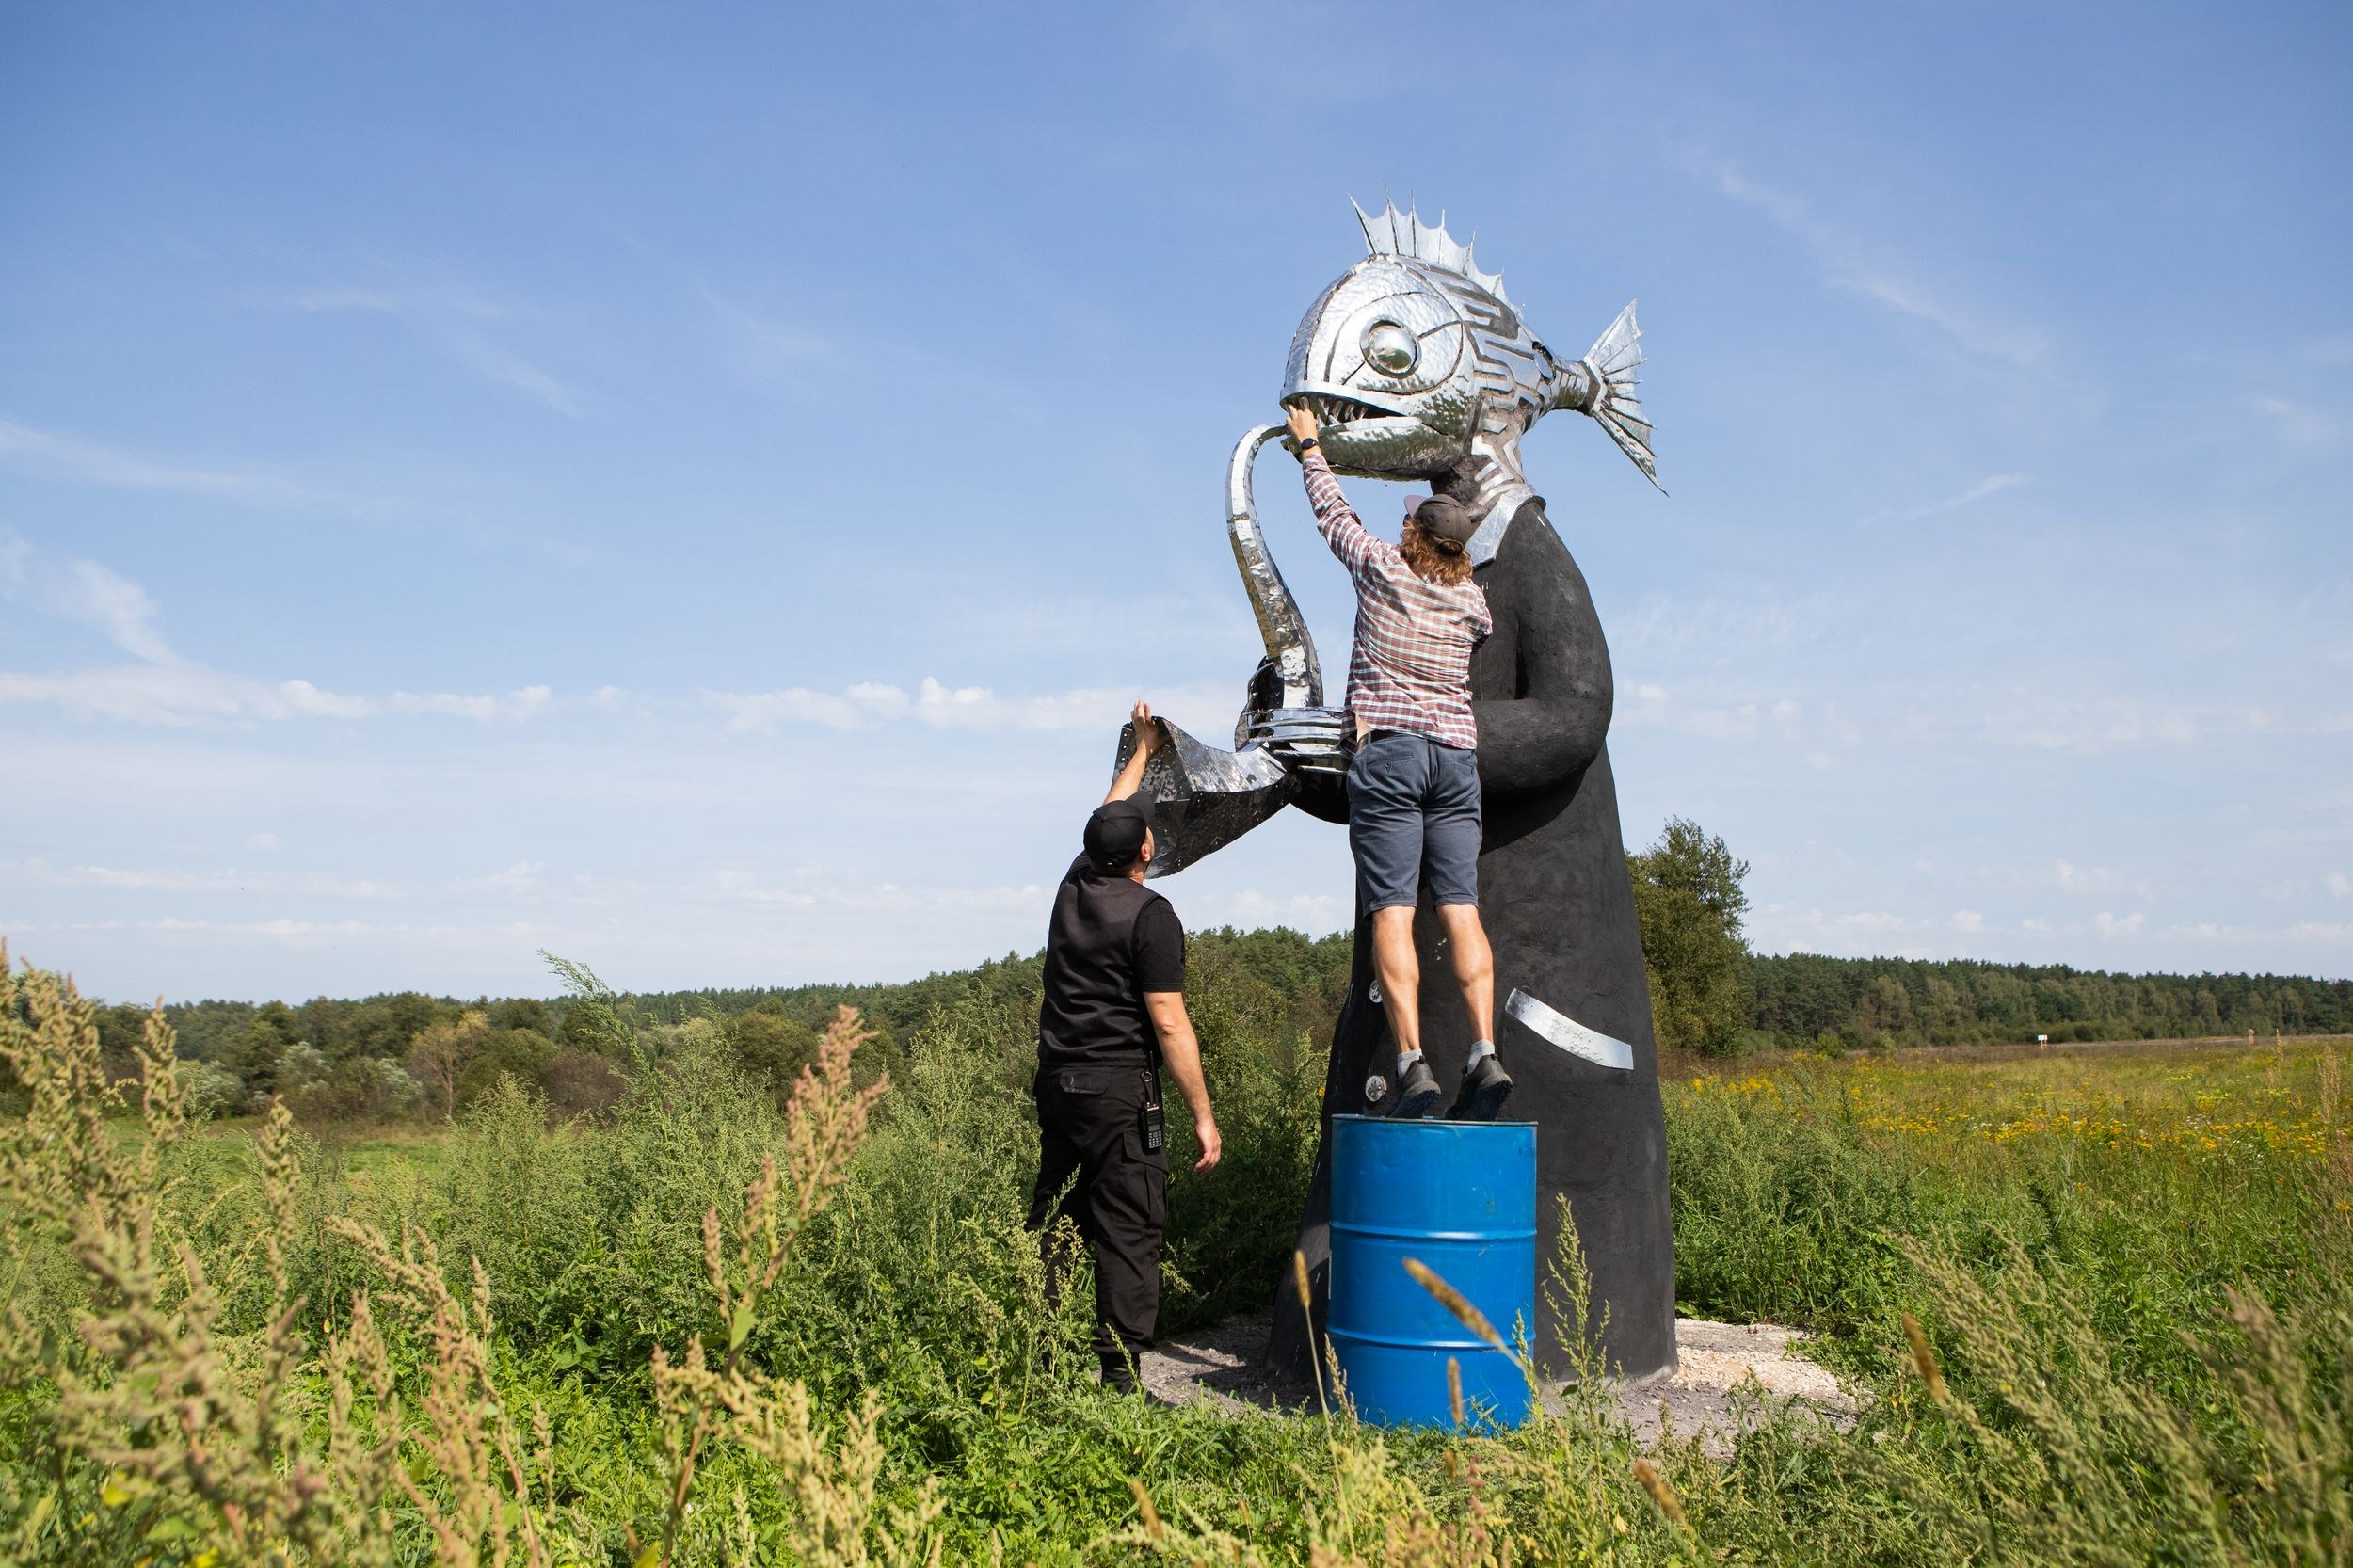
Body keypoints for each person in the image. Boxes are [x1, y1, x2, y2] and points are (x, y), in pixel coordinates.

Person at [1283, 401, 1513, 1121]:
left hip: (1390, 755)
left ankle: (1413, 1061)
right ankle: (1484, 1050)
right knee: (1461, 912)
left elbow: (1333, 517)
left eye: (1408, 521)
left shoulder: (1383, 569)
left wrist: (1310, 446)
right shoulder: (1473, 604)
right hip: (1455, 759)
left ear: (1412, 533)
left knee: (1392, 911)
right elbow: (1473, 620)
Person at [1028, 700, 1222, 1392]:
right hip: (1117, 1090)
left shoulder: (1074, 885)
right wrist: (1202, 1113)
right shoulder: (1151, 916)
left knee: (1059, 1211)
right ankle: (1120, 1380)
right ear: (1146, 851)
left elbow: (1107, 813)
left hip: (1058, 1083)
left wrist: (1141, 750)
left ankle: (1035, 1348)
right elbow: (1169, 1023)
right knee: (1129, 1222)